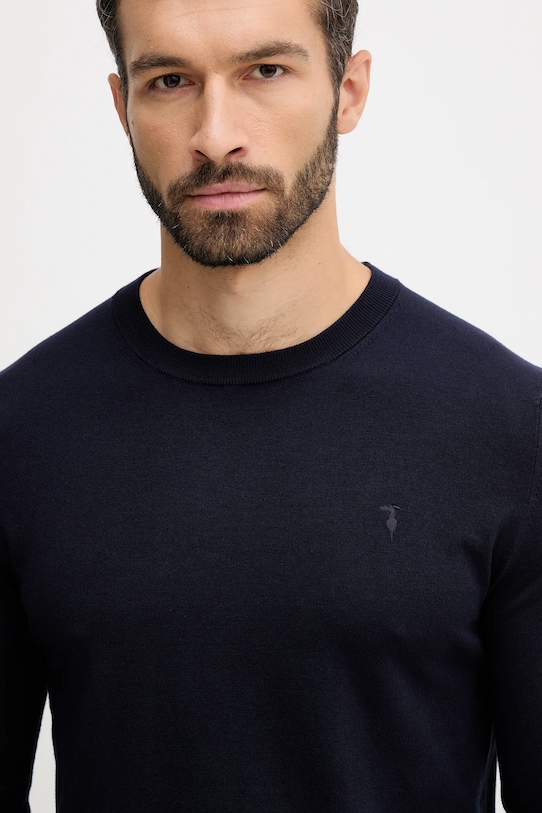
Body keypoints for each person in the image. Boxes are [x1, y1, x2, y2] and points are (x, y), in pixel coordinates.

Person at [1, 0, 540, 810]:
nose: (216, 136)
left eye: (265, 70)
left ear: (348, 91)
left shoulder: (512, 429)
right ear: (122, 107)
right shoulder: (19, 434)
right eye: (170, 80)